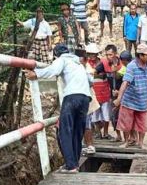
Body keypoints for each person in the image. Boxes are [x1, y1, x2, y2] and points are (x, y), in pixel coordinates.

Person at [25, 44, 92, 173]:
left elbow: (52, 70)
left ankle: (71, 166)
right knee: (77, 132)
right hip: (85, 98)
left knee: (64, 130)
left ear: (56, 54)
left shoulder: (62, 60)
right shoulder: (78, 63)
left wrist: (36, 74)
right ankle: (75, 163)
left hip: (72, 96)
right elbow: (90, 80)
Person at [114, 43, 147, 149]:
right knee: (126, 123)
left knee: (142, 123)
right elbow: (125, 82)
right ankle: (126, 142)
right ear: (140, 55)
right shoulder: (132, 66)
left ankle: (140, 143)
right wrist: (119, 98)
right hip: (129, 100)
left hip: (142, 99)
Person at [94, 44, 126, 142]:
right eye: (107, 55)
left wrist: (120, 91)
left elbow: (126, 81)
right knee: (113, 116)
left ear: (115, 54)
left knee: (125, 116)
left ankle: (130, 139)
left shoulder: (123, 63)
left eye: (111, 55)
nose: (109, 57)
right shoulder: (104, 63)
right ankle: (118, 136)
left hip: (124, 93)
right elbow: (95, 71)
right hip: (111, 94)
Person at [83, 43, 103, 154]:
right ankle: (88, 144)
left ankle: (89, 144)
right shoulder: (87, 66)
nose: (92, 56)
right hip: (89, 96)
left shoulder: (87, 66)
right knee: (88, 121)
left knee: (88, 121)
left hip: (91, 96)